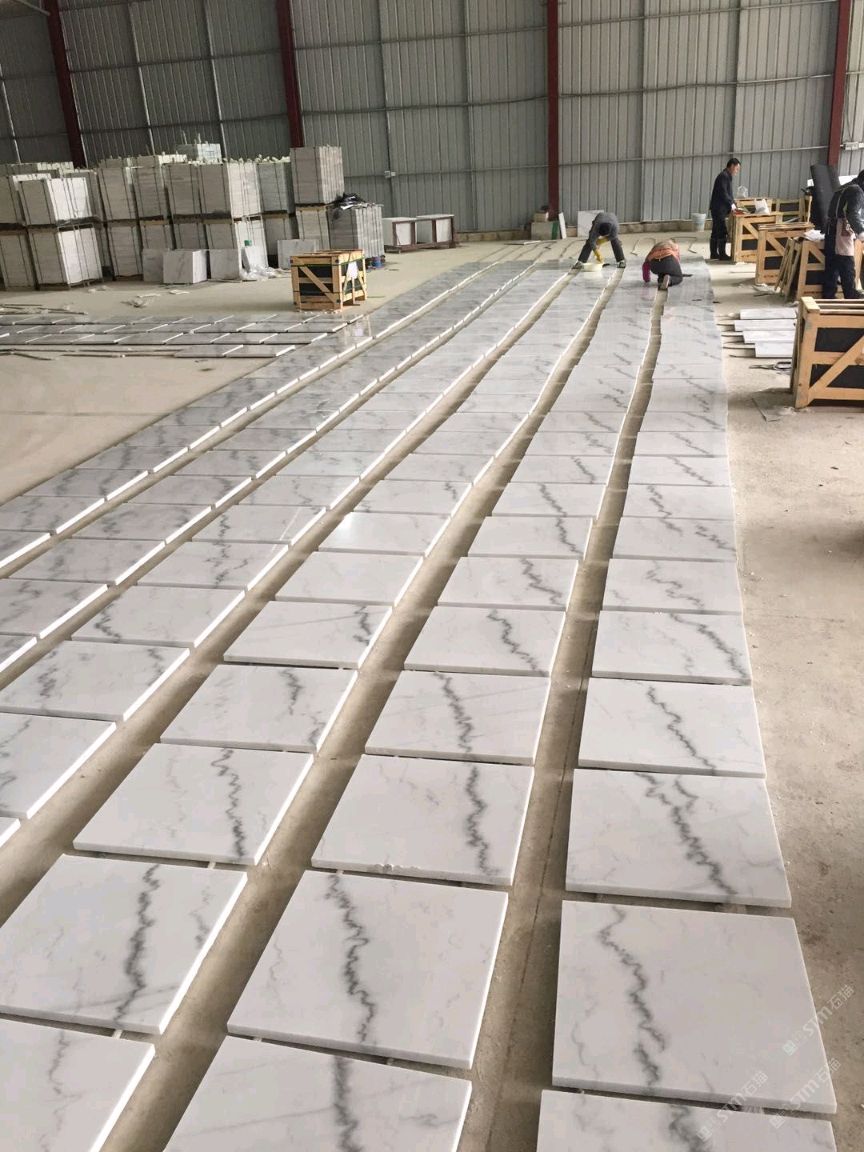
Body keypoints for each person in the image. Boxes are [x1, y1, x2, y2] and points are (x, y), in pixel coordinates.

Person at [823, 172, 864, 300]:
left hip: (831, 229)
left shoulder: (845, 187)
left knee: (832, 265)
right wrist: (861, 233)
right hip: (842, 231)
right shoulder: (856, 191)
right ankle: (851, 297)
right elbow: (852, 214)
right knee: (847, 264)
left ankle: (828, 296)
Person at [709, 158, 741, 261]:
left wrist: (734, 203)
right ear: (732, 166)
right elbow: (724, 193)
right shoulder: (724, 176)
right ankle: (722, 255)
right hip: (719, 208)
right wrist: (731, 204)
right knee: (722, 230)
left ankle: (714, 254)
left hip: (718, 208)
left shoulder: (726, 176)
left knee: (715, 230)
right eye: (737, 169)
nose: (737, 171)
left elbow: (729, 193)